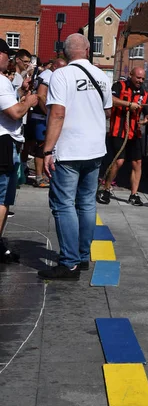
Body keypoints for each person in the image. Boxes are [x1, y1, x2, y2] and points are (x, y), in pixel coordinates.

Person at [37, 34, 112, 280]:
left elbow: (57, 113)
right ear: (89, 50)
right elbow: (107, 111)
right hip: (95, 149)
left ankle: (69, 262)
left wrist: (48, 150)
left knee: (64, 204)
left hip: (70, 149)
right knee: (87, 203)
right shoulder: (102, 76)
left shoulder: (62, 75)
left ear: (66, 52)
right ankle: (82, 256)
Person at [0, 39, 38, 263]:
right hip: (4, 141)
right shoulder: (1, 81)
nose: (11, 60)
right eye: (8, 54)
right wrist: (29, 101)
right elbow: (14, 113)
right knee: (3, 198)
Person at [97, 67, 148, 207]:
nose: (140, 81)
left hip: (135, 133)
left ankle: (134, 194)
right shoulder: (119, 86)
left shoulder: (145, 94)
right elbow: (111, 100)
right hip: (118, 131)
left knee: (137, 163)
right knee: (119, 161)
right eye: (138, 78)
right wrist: (128, 104)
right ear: (131, 75)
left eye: (143, 79)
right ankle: (106, 189)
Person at [28, 58, 67, 187]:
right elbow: (41, 95)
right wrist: (48, 113)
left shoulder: (47, 75)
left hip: (40, 115)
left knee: (40, 144)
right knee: (42, 146)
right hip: (41, 116)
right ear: (55, 66)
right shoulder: (48, 76)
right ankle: (39, 177)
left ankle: (42, 174)